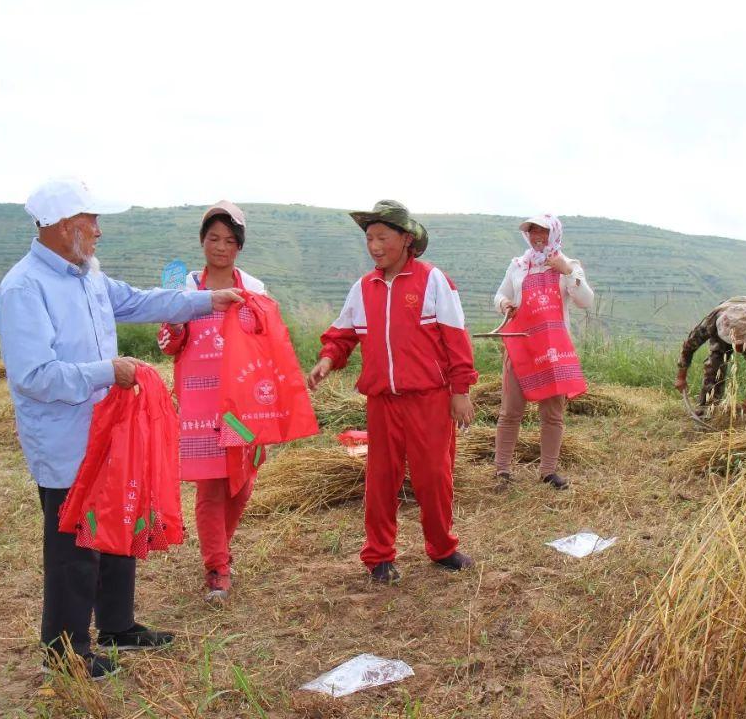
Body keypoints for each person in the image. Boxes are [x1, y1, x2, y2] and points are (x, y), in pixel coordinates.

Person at [0, 178, 244, 679]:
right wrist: (110, 371)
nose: (100, 232)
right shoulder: (24, 289)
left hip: (109, 427)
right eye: (93, 221)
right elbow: (35, 377)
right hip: (65, 437)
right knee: (73, 546)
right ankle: (65, 652)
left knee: (117, 521)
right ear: (65, 227)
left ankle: (117, 625)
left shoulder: (87, 275)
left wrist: (209, 302)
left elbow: (135, 302)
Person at [307, 200, 478, 584]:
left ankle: (442, 548)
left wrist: (460, 389)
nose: (374, 246)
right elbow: (343, 334)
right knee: (381, 477)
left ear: (406, 239)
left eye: (382, 237)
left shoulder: (433, 280)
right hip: (382, 400)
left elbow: (455, 338)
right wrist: (327, 360)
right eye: (370, 238)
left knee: (433, 477)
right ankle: (379, 556)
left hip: (430, 399)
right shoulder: (364, 287)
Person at [156, 201, 267, 606]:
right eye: (213, 238)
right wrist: (176, 320)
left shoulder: (253, 289)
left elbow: (266, 346)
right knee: (212, 487)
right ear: (203, 242)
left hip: (242, 403)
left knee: (242, 483)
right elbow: (167, 345)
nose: (220, 247)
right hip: (200, 403)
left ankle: (218, 549)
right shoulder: (184, 288)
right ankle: (217, 568)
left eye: (229, 240)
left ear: (239, 245)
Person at [491, 214, 594, 491]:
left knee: (552, 414)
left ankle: (548, 471)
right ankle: (502, 470)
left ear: (555, 234)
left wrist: (567, 272)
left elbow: (586, 300)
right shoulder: (518, 266)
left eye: (543, 231)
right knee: (511, 411)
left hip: (552, 351)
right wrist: (505, 305)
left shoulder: (569, 265)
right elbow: (499, 295)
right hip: (520, 346)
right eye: (532, 231)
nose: (537, 236)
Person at [674, 296, 746, 413]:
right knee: (714, 365)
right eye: (736, 342)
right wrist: (681, 376)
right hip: (725, 328)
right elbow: (689, 345)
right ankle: (707, 409)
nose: (738, 347)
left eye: (742, 342)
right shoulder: (712, 321)